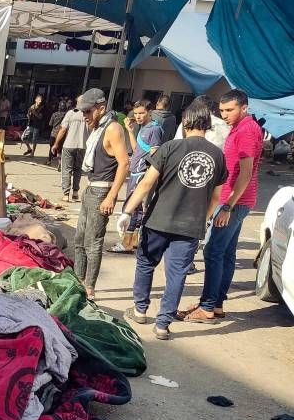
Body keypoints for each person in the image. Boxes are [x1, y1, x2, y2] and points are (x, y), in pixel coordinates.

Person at [123, 100, 228, 340]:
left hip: (159, 220)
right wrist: (204, 218)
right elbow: (216, 197)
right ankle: (163, 325)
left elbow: (147, 183)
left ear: (186, 121)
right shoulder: (217, 155)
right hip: (191, 225)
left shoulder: (170, 147)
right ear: (207, 124)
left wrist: (128, 211)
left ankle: (140, 310)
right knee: (177, 274)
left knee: (146, 263)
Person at [181, 88, 263, 322]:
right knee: (226, 254)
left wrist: (227, 206)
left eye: (230, 110)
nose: (225, 114)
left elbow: (245, 173)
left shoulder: (246, 130)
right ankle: (215, 304)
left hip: (233, 202)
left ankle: (207, 306)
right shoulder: (241, 128)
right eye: (222, 110)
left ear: (244, 108)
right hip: (238, 200)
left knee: (213, 251)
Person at [72, 88, 130, 300]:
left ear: (101, 108)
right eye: (83, 112)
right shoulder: (97, 128)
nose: (85, 116)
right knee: (79, 238)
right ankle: (78, 279)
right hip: (91, 188)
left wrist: (111, 196)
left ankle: (89, 287)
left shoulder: (113, 128)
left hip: (102, 190)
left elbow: (124, 163)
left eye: (88, 111)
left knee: (93, 242)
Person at [111, 100, 164, 253]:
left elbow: (155, 153)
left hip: (141, 173)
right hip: (135, 172)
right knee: (136, 209)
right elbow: (137, 149)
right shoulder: (143, 128)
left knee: (132, 207)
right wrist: (129, 131)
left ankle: (127, 242)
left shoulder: (154, 129)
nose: (138, 116)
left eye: (142, 113)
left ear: (150, 112)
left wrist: (149, 176)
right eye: (136, 113)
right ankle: (132, 241)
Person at [53, 101, 88, 202]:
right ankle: (75, 193)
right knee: (78, 169)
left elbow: (63, 129)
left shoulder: (71, 113)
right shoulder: (88, 113)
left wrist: (56, 143)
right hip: (83, 146)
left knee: (66, 169)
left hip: (69, 145)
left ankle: (66, 194)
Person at [47, 101, 69, 166]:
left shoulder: (55, 114)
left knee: (51, 147)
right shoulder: (67, 115)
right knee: (60, 148)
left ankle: (49, 160)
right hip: (62, 133)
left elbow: (50, 124)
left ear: (59, 106)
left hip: (53, 133)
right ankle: (59, 162)